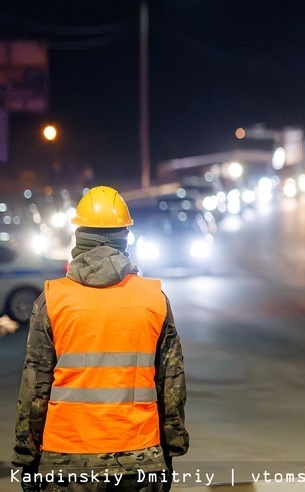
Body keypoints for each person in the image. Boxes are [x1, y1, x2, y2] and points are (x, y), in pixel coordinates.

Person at [13, 186, 189, 492]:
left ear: (79, 235)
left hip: (65, 460)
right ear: (125, 237)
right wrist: (171, 448)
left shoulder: (52, 300)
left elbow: (35, 389)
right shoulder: (153, 299)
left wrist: (26, 458)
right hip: (140, 459)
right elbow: (171, 384)